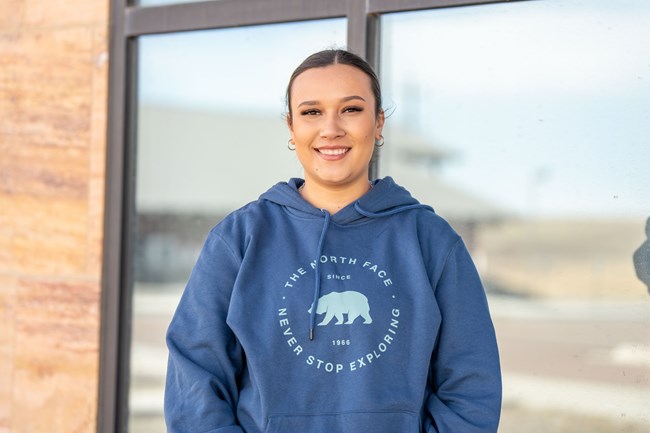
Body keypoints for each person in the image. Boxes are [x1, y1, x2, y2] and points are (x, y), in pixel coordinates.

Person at [164, 49, 501, 433]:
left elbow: (472, 384)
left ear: (378, 123)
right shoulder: (239, 239)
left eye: (351, 110)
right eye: (311, 112)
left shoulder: (430, 241)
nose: (331, 129)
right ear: (291, 128)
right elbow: (195, 377)